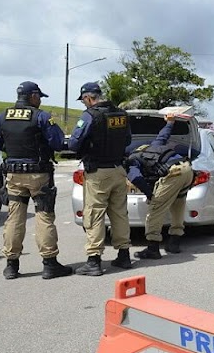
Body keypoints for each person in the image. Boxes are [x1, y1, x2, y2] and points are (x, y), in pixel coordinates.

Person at [0, 81, 73, 280]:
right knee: (44, 216)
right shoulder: (41, 116)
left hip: (13, 174)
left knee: (14, 218)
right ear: (33, 96)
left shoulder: (3, 116)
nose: (40, 100)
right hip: (38, 174)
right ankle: (50, 264)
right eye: (40, 97)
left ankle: (11, 265)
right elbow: (58, 143)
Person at [68, 82, 133, 276]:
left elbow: (74, 143)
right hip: (118, 170)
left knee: (95, 214)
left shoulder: (89, 115)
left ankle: (94, 260)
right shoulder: (121, 114)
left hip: (98, 173)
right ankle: (124, 255)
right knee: (120, 213)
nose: (84, 104)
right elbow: (128, 140)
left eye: (84, 101)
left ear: (88, 98)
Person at [126, 113, 195, 259]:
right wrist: (170, 122)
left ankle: (153, 248)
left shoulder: (132, 161)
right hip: (187, 169)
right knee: (178, 204)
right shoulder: (153, 146)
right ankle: (174, 242)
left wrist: (150, 195)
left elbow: (136, 178)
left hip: (173, 174)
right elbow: (163, 135)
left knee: (155, 209)